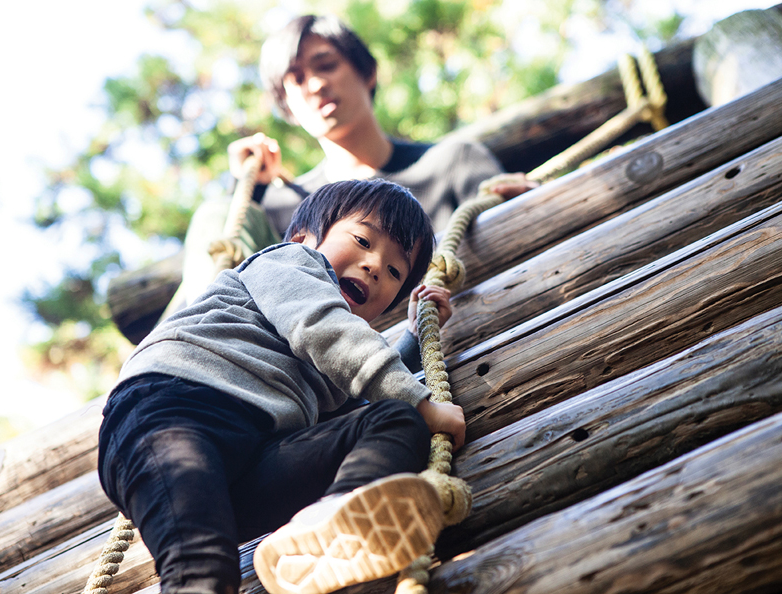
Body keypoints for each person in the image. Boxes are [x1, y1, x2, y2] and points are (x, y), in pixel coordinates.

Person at [98, 179, 466, 594]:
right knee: (201, 569)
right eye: (363, 240)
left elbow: (352, 395)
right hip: (173, 412)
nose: (376, 265)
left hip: (250, 456)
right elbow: (324, 329)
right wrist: (424, 404)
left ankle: (330, 519)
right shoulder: (291, 263)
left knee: (393, 420)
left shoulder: (328, 365)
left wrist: (414, 342)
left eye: (395, 271)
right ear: (303, 236)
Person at [168, 14, 535, 314]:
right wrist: (249, 188)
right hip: (289, 360)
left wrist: (519, 198)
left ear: (368, 72)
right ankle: (196, 341)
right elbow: (235, 252)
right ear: (287, 108)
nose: (314, 84)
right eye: (295, 81)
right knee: (217, 211)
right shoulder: (281, 209)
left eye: (326, 65)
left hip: (428, 338)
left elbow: (509, 225)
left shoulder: (452, 161)